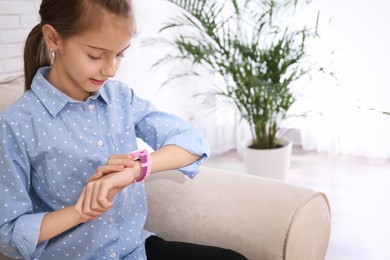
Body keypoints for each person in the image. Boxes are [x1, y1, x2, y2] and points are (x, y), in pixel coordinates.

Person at [0, 0, 248, 259]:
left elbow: (192, 142)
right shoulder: (16, 124)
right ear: (54, 39)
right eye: (95, 56)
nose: (110, 70)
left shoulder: (120, 98)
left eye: (119, 54)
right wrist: (80, 211)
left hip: (135, 250)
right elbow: (7, 233)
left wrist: (137, 169)